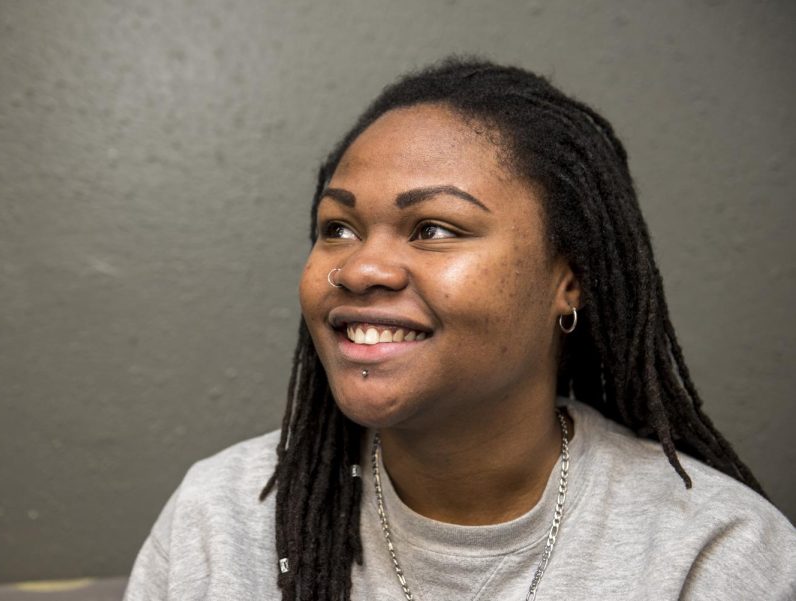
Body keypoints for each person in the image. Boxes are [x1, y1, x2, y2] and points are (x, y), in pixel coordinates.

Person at [123, 58, 796, 600]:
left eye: (434, 229)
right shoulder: (221, 519)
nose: (360, 267)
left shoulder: (711, 554)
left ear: (571, 279)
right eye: (339, 228)